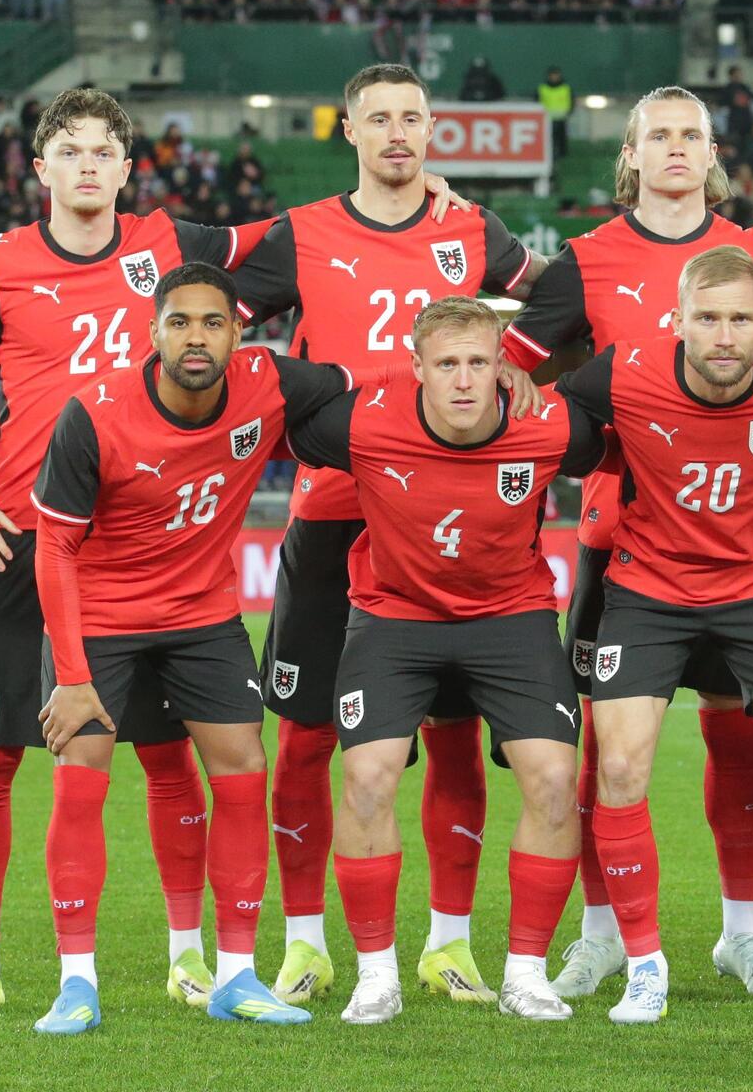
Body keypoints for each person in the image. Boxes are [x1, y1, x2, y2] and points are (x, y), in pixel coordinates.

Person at [0, 86, 280, 1017]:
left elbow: (293, 236)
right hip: (18, 541)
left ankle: (187, 956)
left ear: (124, 167)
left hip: (131, 555)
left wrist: (412, 193)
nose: (86, 165)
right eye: (68, 151)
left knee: (164, 759)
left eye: (102, 151)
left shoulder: (171, 245)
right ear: (42, 169)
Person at [231, 61, 546, 1007]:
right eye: (381, 119)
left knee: (453, 738)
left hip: (457, 513)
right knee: (306, 740)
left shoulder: (471, 229)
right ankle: (304, 942)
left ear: (431, 131)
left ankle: (449, 943)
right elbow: (213, 324)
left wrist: (517, 371)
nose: (400, 134)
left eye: (414, 118)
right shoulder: (303, 234)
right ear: (351, 132)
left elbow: (562, 303)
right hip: (336, 511)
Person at [502, 85, 753, 1001]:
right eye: (658, 137)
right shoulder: (587, 260)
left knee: (738, 742)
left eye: (692, 135)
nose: (675, 149)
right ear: (631, 155)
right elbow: (515, 378)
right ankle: (604, 938)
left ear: (712, 152)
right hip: (622, 541)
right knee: (608, 753)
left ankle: (742, 934)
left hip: (739, 545)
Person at [28, 262, 351, 1033]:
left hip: (203, 616)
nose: (196, 337)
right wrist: (72, 678)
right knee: (82, 779)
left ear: (239, 334)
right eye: (180, 323)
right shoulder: (94, 413)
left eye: (212, 323)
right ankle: (76, 984)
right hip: (101, 619)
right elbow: (53, 550)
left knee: (242, 769)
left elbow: (354, 378)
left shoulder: (268, 383)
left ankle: (237, 974)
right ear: (154, 332)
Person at [285, 297, 606, 1023]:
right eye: (447, 364)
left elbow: (625, 437)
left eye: (480, 363)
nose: (464, 381)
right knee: (366, 777)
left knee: (556, 780)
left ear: (505, 367)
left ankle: (526, 973)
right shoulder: (362, 420)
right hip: (395, 618)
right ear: (417, 368)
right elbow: (280, 402)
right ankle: (376, 976)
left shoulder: (549, 424)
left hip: (511, 618)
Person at [555, 245, 753, 1024]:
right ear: (678, 320)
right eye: (708, 318)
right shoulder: (620, 373)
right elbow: (544, 419)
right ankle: (644, 965)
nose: (724, 336)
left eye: (741, 320)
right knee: (617, 767)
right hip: (647, 589)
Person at [538, 66, 573, 167]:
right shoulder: (542, 89)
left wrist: (568, 112)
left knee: (561, 141)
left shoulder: (565, 88)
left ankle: (562, 159)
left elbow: (571, 102)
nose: (554, 77)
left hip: (561, 119)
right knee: (548, 141)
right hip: (547, 121)